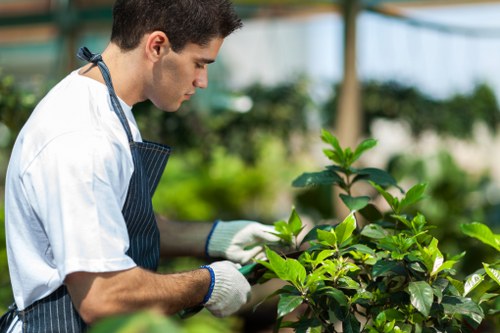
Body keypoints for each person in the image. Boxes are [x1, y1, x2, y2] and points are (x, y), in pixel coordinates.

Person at [0, 0, 282, 332]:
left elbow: (113, 224)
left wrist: (214, 237)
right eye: (199, 63)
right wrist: (205, 284)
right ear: (157, 46)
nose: (202, 80)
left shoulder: (107, 107)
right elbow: (102, 296)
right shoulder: (81, 137)